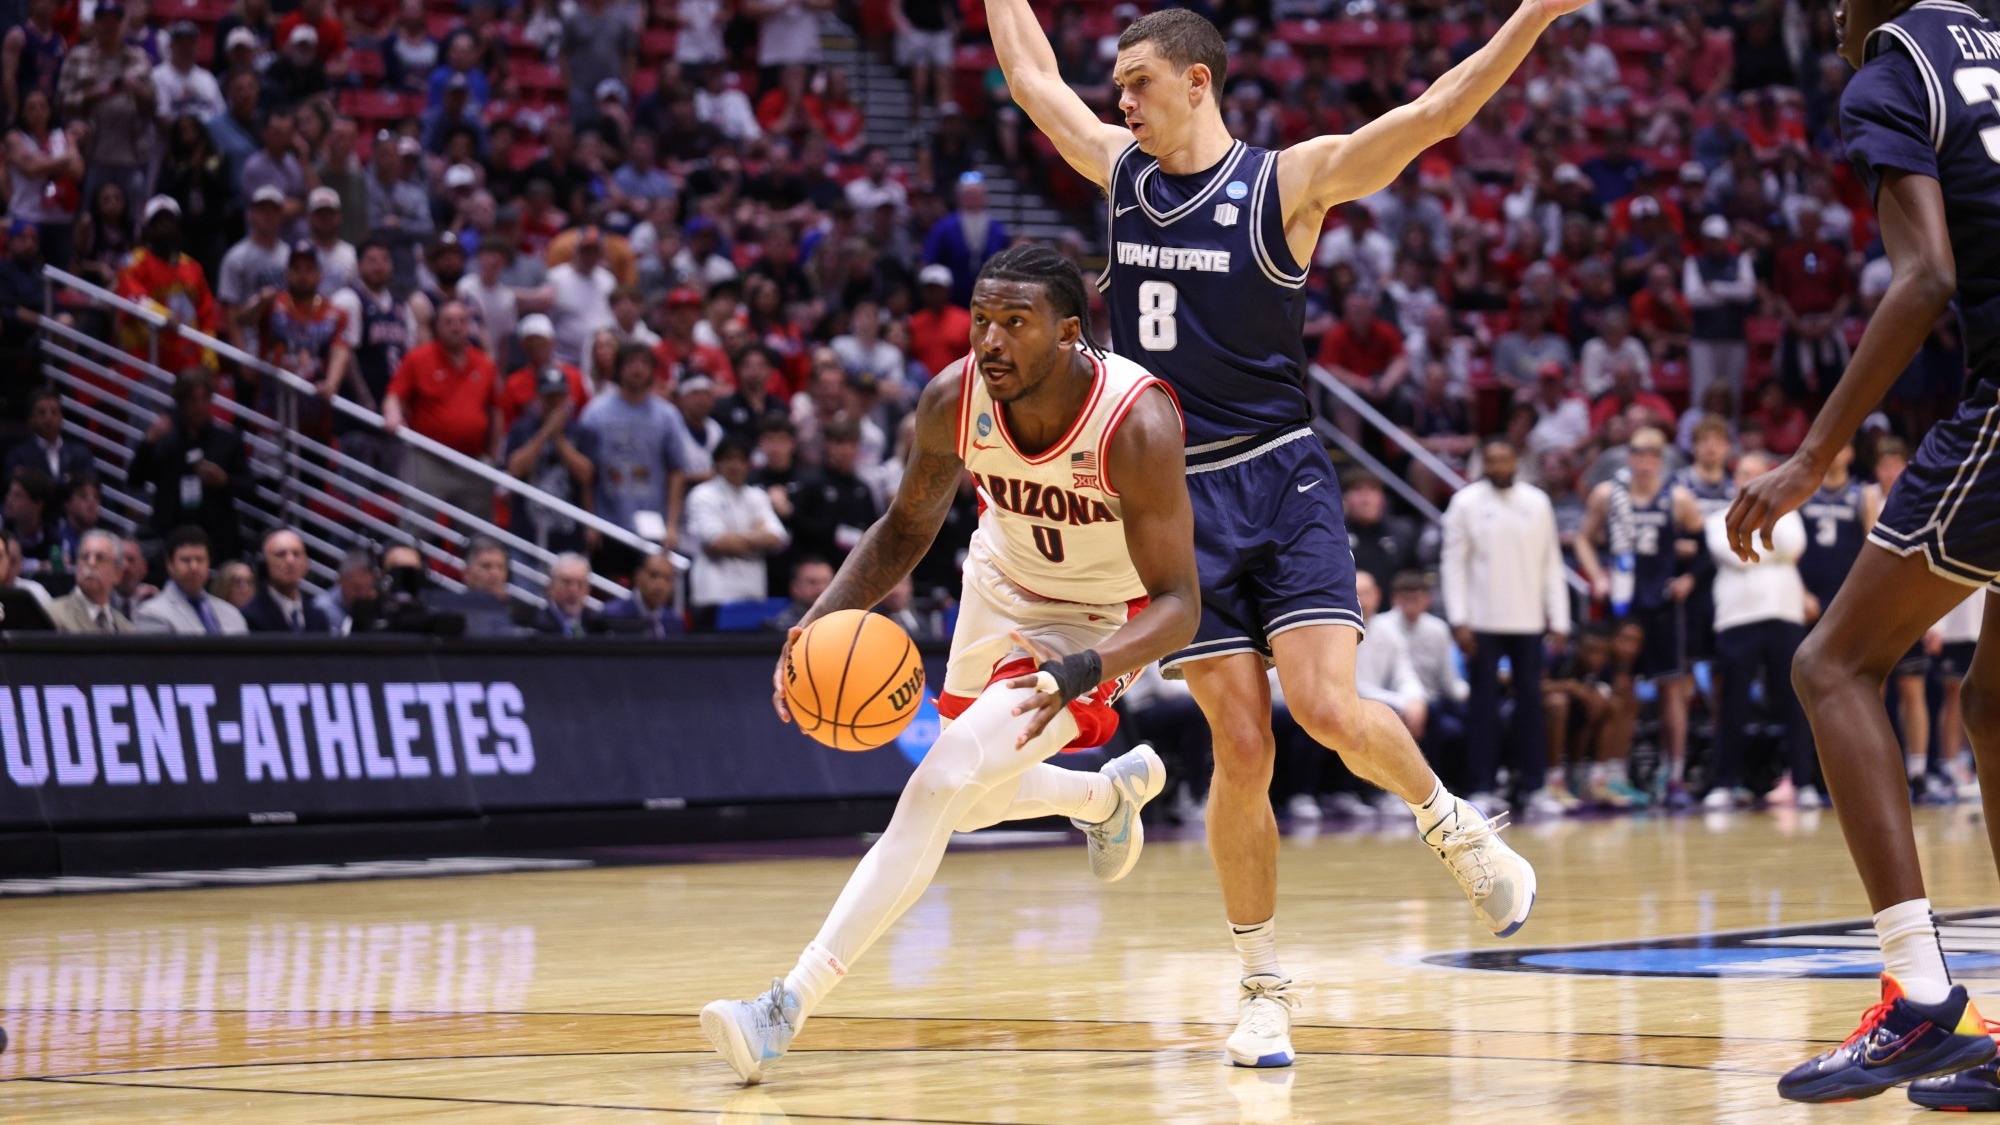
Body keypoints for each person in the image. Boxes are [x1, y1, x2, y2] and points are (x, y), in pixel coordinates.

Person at [986, 1, 1556, 1066]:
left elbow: (1436, 111)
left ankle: (1455, 827)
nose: (1121, 100)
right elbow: (1029, 78)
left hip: (1280, 475)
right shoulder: (1119, 176)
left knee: (1327, 706)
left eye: (1138, 81)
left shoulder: (1284, 182)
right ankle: (1259, 988)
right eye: (1116, 85)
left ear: (1197, 82)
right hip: (1171, 502)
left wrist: (1532, 13)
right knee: (1237, 745)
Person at [701, 246, 1200, 1085]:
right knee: (968, 804)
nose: (991, 341)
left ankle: (784, 1005)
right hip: (998, 590)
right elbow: (904, 527)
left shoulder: (1136, 424)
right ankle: (1101, 795)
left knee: (938, 783)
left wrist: (1084, 669)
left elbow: (1181, 602)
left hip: (1091, 624)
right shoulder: (954, 398)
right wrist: (817, 622)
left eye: (1016, 323)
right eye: (981, 320)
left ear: (1071, 332)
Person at [1725, 1, 2000, 1103]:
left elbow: (1923, 273)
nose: (1825, 11)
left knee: (1828, 664)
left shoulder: (1893, 68)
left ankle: (1918, 996)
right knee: (1990, 705)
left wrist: (1809, 459)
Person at [1440, 439, 1572, 816]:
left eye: (1505, 458)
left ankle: (1535, 787)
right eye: (1491, 459)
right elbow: (1453, 564)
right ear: (1483, 463)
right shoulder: (1465, 502)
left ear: (1517, 461)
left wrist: (1559, 619)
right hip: (1481, 621)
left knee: (1531, 705)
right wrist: (1459, 619)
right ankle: (1481, 787)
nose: (1498, 465)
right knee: (1483, 707)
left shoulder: (1537, 502)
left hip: (1530, 621)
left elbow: (1551, 562)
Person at [1575, 426, 1705, 807]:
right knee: (1620, 688)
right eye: (1637, 452)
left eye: (1652, 453)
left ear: (1661, 458)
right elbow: (1583, 537)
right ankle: (1610, 773)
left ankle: (1674, 775)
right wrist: (1596, 574)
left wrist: (1688, 580)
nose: (1644, 460)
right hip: (1622, 603)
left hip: (1662, 605)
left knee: (1672, 690)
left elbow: (1703, 547)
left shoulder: (1677, 498)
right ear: (1628, 457)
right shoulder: (1607, 494)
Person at [1702, 451, 1815, 810]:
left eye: (1756, 473)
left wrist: (1752, 546)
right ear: (1735, 479)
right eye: (1742, 473)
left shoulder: (1788, 514)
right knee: (1732, 703)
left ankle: (1803, 782)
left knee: (1795, 701)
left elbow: (1793, 546)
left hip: (1785, 612)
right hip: (1736, 617)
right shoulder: (1717, 518)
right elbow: (1731, 554)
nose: (1748, 479)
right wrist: (1771, 550)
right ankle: (1724, 783)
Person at [384, 299, 501, 523]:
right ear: (437, 327)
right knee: (416, 526)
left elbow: (495, 413)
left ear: (470, 326)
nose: (456, 326)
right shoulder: (418, 358)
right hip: (429, 459)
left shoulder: (485, 364)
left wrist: (492, 456)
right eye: (448, 321)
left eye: (461, 321)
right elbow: (394, 396)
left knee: (478, 532)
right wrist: (393, 413)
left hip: (472, 462)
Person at [579, 343, 693, 570]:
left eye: (644, 363)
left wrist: (672, 525)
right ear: (619, 369)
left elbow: (677, 471)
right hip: (607, 523)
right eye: (631, 363)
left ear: (652, 369)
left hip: (653, 526)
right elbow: (585, 473)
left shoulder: (667, 416)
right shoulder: (595, 413)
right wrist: (589, 521)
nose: (637, 369)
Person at [129, 368, 251, 561]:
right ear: (180, 403)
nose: (199, 406)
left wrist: (224, 481)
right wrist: (149, 441)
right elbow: (135, 480)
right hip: (171, 540)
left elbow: (249, 486)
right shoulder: (165, 442)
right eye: (192, 400)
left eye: (204, 399)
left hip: (218, 542)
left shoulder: (228, 441)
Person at [57, 0, 155, 214]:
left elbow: (153, 104)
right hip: (92, 155)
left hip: (132, 155)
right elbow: (62, 101)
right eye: (103, 21)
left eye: (114, 21)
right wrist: (96, 94)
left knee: (133, 222)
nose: (109, 26)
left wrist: (137, 90)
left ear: (122, 24)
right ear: (95, 24)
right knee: (87, 219)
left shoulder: (138, 58)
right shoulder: (77, 56)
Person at [685, 437, 789, 624]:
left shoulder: (757, 496)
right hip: (713, 595)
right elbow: (717, 542)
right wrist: (757, 537)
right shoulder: (702, 495)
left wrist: (735, 540)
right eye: (729, 458)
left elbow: (777, 538)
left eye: (741, 459)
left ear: (748, 464)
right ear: (717, 462)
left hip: (752, 594)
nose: (736, 465)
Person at [503, 363, 598, 556]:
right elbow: (515, 468)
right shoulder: (521, 429)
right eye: (548, 396)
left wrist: (559, 437)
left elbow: (586, 475)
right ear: (538, 397)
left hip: (570, 536)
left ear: (566, 397)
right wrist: (546, 432)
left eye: (558, 396)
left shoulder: (582, 433)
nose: (553, 402)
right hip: (526, 533)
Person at [134, 525, 248, 635]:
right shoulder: (152, 614)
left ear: (209, 563)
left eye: (200, 559)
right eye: (186, 560)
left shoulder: (231, 614)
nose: (194, 567)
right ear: (170, 564)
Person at [240, 527, 332, 633]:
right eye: (280, 554)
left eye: (296, 554)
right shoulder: (251, 616)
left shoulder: (318, 617)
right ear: (264, 564)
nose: (290, 561)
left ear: (306, 563)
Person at [46, 529, 133, 634]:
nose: (91, 563)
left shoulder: (128, 630)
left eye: (100, 558)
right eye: (84, 557)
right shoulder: (52, 616)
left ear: (118, 574)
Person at [5, 386, 93, 486]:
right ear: (30, 419)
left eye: (54, 412)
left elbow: (88, 485)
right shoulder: (19, 455)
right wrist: (66, 480)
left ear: (61, 417)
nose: (49, 418)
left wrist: (35, 480)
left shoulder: (80, 453)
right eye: (42, 413)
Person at [603, 550, 682, 636]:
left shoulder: (674, 622)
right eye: (653, 575)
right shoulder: (613, 615)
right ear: (638, 576)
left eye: (667, 579)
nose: (660, 584)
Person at [527, 552, 602, 637]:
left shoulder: (598, 624)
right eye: (566, 582)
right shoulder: (535, 625)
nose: (573, 590)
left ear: (588, 589)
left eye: (580, 584)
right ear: (551, 587)